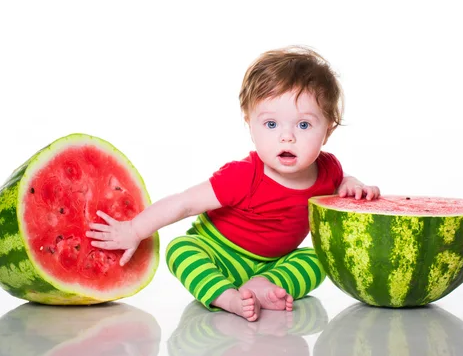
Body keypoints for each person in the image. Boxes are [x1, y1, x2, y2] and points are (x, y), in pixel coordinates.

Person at [86, 46, 380, 322]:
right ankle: (225, 297)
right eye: (271, 124)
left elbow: (341, 182)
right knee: (180, 250)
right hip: (217, 253)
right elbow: (184, 203)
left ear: (327, 131)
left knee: (320, 257)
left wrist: (352, 184)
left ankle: (264, 284)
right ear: (250, 125)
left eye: (303, 125)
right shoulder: (243, 176)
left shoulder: (329, 170)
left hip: (274, 263)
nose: (287, 137)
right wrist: (134, 230)